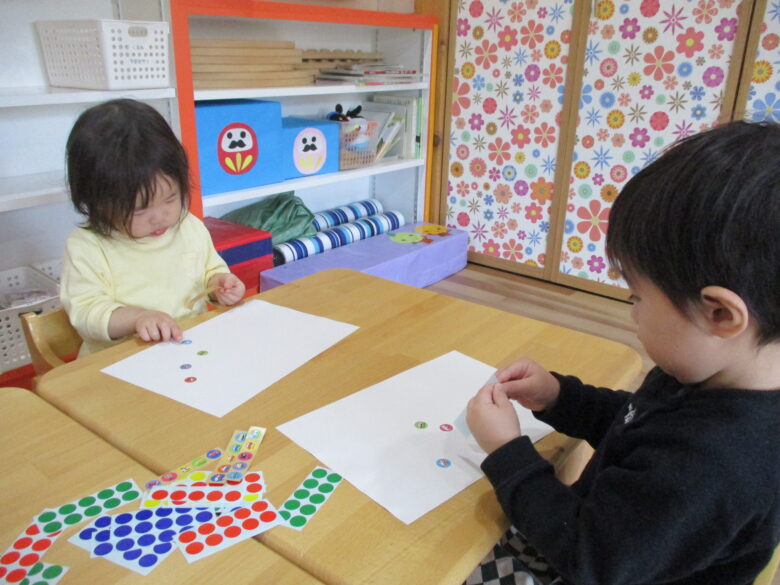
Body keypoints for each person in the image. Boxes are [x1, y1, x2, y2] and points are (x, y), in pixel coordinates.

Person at [465, 120, 780, 585]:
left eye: (636, 295)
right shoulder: (708, 373)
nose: (631, 310)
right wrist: (558, 397)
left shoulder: (716, 467)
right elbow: (636, 424)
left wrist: (508, 453)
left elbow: (588, 557)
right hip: (604, 540)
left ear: (719, 314)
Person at [60, 99, 245, 356]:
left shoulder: (187, 226)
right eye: (140, 209)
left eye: (170, 198)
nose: (160, 216)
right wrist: (138, 318)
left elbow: (210, 271)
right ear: (98, 202)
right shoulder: (88, 247)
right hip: (118, 365)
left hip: (189, 349)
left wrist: (220, 284)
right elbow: (86, 313)